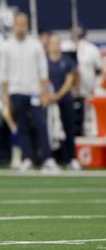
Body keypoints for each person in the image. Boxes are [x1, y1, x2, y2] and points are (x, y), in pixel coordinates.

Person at [0, 13, 58, 174]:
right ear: (14, 25)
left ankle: (47, 158)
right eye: (18, 24)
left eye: (24, 24)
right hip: (16, 91)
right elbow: (3, 74)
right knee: (22, 127)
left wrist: (44, 92)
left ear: (28, 25)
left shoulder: (35, 45)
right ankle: (27, 158)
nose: (21, 27)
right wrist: (4, 96)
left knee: (41, 125)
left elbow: (43, 71)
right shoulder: (6, 46)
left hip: (34, 91)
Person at [46, 34, 78, 170]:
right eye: (52, 43)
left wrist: (58, 95)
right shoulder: (43, 62)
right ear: (48, 46)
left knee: (68, 129)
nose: (55, 46)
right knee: (49, 131)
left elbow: (69, 80)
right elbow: (42, 79)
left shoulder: (67, 61)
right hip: (48, 100)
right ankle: (51, 159)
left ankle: (71, 159)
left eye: (57, 43)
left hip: (64, 99)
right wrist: (49, 95)